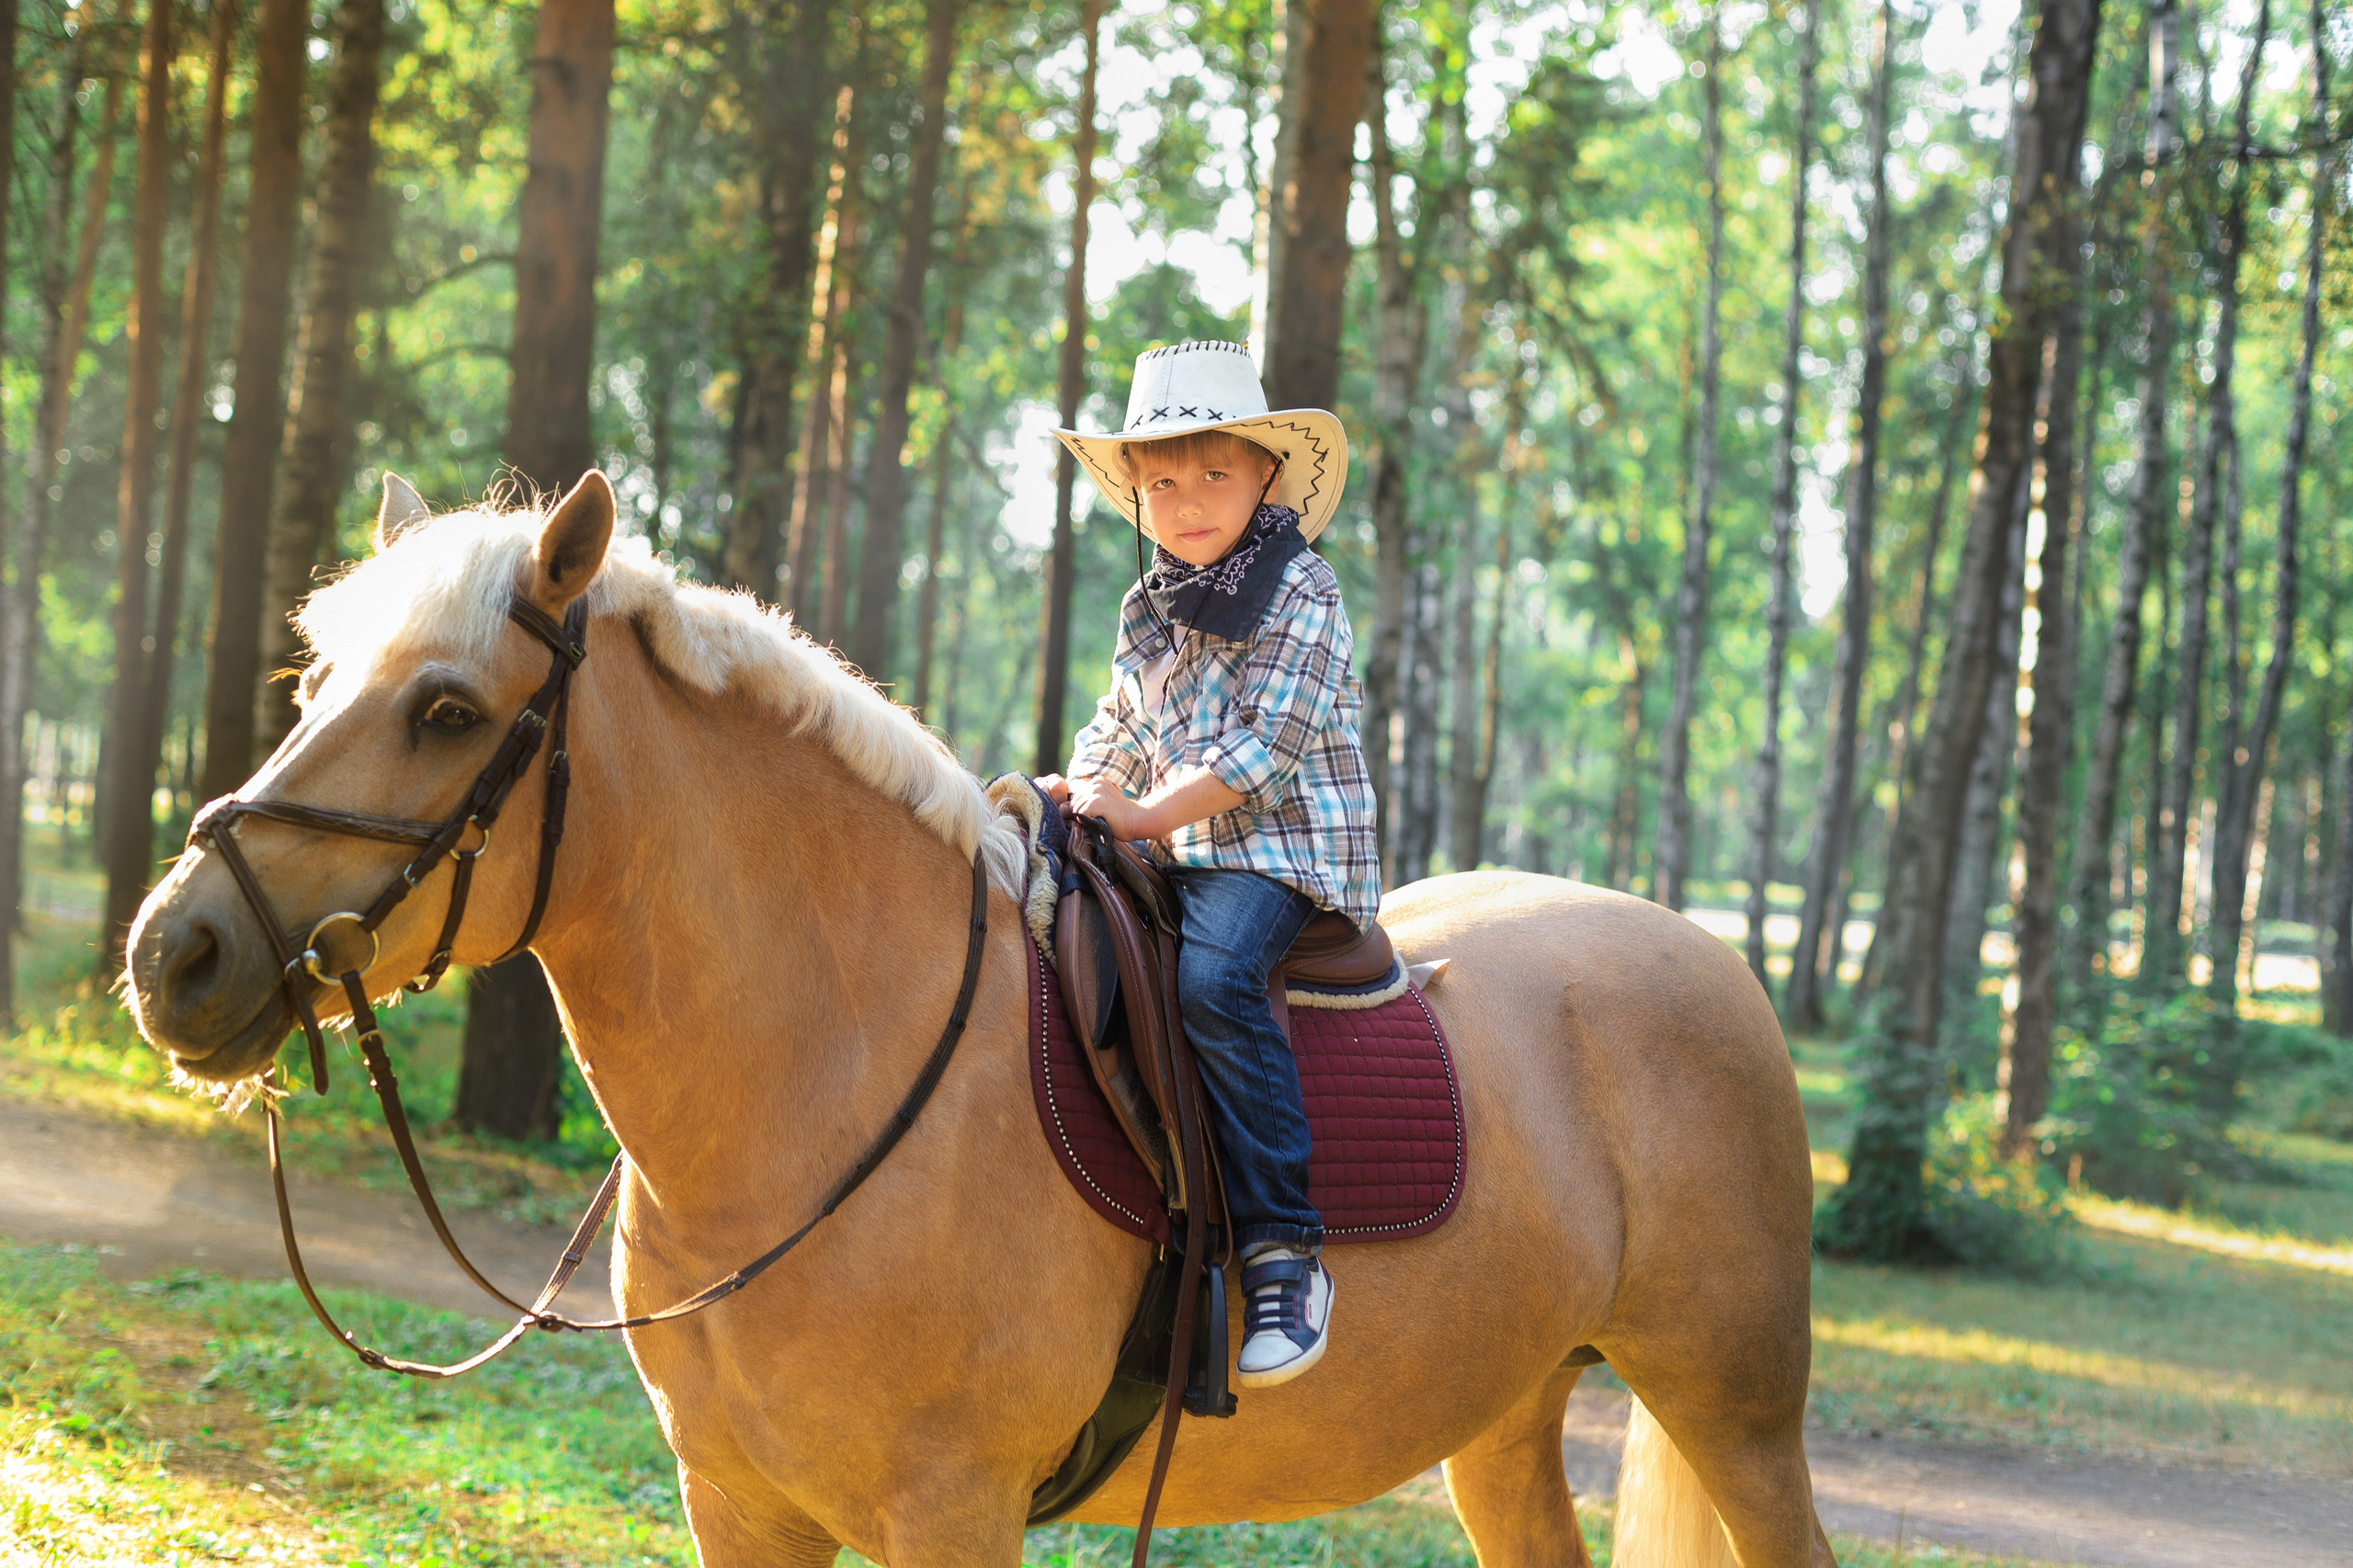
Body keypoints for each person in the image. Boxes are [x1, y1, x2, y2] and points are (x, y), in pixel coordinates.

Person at [1034, 340, 1379, 1390]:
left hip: (1282, 850)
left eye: (1212, 474)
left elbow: (1261, 749)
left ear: (1265, 476)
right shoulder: (1152, 605)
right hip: (1181, 845)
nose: (1185, 502)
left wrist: (1137, 817)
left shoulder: (1301, 588)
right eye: (1161, 482)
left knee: (1213, 977)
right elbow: (1122, 723)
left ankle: (1283, 1245)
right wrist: (1078, 784)